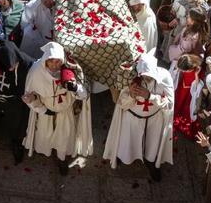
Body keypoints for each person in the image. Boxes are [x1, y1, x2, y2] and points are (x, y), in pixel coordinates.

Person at [22, 42, 93, 174]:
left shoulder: (72, 69)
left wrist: (75, 87)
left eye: (57, 62)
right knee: (45, 134)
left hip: (65, 111)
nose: (54, 65)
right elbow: (30, 95)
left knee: (64, 137)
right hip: (46, 110)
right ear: (46, 61)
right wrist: (41, 109)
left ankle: (62, 160)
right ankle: (47, 151)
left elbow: (84, 95)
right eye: (51, 62)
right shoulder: (36, 72)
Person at [103, 54, 175, 179]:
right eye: (144, 75)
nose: (147, 77)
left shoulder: (165, 77)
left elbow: (170, 105)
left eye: (150, 75)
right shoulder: (130, 78)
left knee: (152, 145)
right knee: (127, 143)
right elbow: (122, 104)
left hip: (154, 119)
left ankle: (151, 163)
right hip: (132, 119)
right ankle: (122, 157)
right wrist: (130, 95)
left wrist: (151, 96)